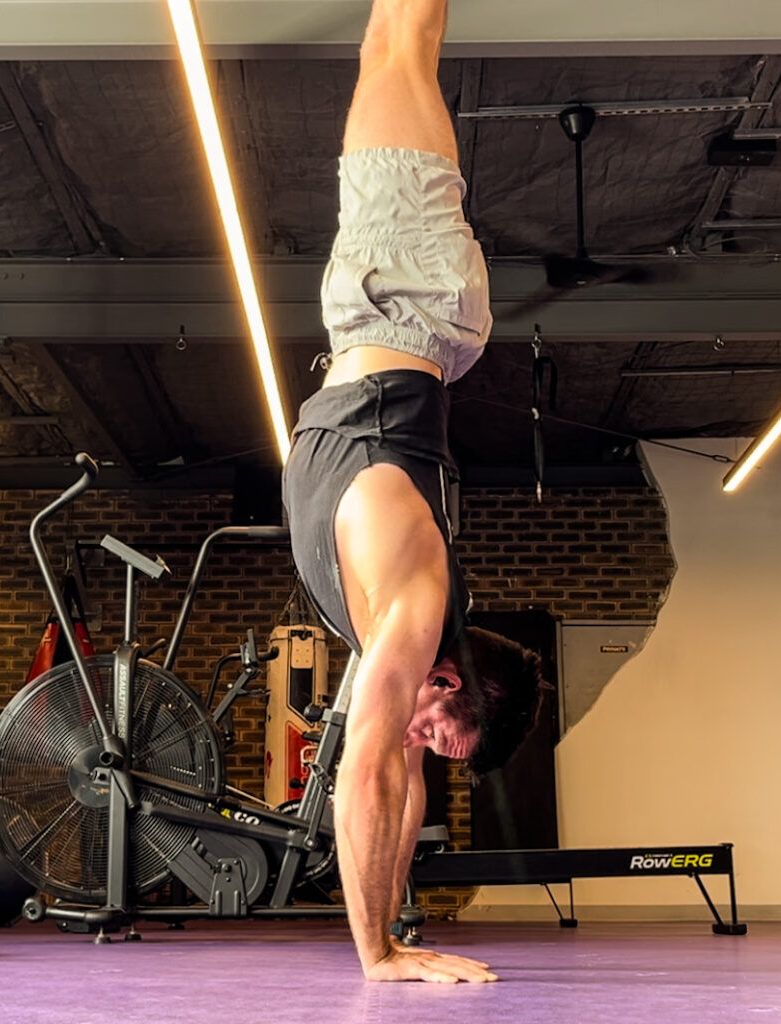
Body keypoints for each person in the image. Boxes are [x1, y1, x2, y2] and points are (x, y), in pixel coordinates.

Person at [281, 0, 546, 983]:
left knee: (390, 40)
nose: (423, 740)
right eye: (445, 729)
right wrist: (380, 949)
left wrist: (393, 925)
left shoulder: (391, 633)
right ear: (453, 685)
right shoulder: (415, 610)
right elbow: (373, 773)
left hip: (389, 309)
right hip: (409, 291)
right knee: (399, 35)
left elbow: (391, 776)